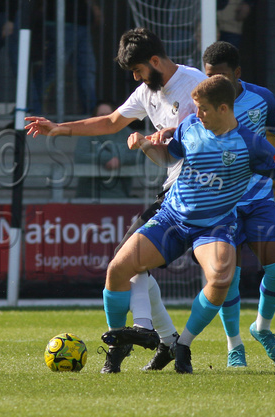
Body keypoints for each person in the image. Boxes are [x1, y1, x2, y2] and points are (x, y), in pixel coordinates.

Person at [112, 75, 275, 374]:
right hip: (172, 218)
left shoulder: (252, 144)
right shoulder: (191, 126)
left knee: (220, 278)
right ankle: (116, 348)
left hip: (214, 226)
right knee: (118, 268)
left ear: (223, 108)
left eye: (202, 108)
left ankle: (183, 344)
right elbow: (169, 157)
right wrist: (144, 146)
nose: (196, 113)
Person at [25, 27, 207, 373]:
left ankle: (131, 341)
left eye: (138, 70)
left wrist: (164, 137)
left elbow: (210, 128)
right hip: (173, 188)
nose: (137, 77)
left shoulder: (194, 83)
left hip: (194, 192)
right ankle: (164, 342)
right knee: (126, 265)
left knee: (126, 265)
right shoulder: (147, 91)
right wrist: (58, 128)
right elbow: (110, 122)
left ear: (155, 60)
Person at [202, 41, 275, 368]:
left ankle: (262, 327)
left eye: (221, 77)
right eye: (209, 76)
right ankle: (234, 346)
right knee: (227, 275)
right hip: (220, 202)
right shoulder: (201, 101)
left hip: (258, 196)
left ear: (238, 74)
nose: (214, 83)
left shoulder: (263, 99)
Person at [30, 0, 99, 114]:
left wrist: (93, 7)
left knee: (87, 71)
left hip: (81, 22)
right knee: (52, 70)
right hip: (61, 21)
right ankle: (31, 108)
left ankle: (93, 114)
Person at [74, 101, 138, 199]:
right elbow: (80, 156)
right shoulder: (87, 133)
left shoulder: (126, 133)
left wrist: (120, 160)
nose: (105, 117)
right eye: (101, 115)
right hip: (89, 195)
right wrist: (106, 159)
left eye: (108, 114)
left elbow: (139, 155)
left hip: (120, 194)